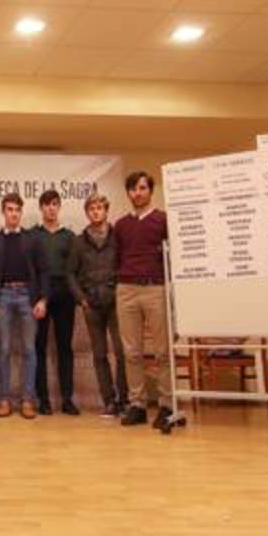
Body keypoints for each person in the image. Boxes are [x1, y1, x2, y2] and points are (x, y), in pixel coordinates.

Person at [113, 171, 172, 429]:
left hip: (155, 289)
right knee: (132, 352)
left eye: (142, 188)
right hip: (126, 290)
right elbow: (117, 257)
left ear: (150, 190)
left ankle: (167, 405)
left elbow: (171, 256)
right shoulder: (121, 225)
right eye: (133, 189)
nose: (137, 193)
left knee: (162, 351)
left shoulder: (163, 220)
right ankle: (137, 404)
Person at [0, 192, 48, 419]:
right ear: (3, 212)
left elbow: (43, 271)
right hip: (2, 296)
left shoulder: (33, 239)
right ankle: (4, 399)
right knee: (3, 349)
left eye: (17, 210)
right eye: (9, 209)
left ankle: (28, 400)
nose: (13, 214)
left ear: (21, 213)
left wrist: (42, 299)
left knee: (29, 349)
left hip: (27, 296)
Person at [69, 194, 128, 417]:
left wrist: (120, 291)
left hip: (115, 302)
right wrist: (81, 299)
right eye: (91, 208)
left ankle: (125, 400)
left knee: (122, 352)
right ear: (87, 213)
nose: (95, 211)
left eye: (99, 208)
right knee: (100, 354)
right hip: (91, 305)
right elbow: (70, 274)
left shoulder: (118, 237)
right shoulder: (79, 241)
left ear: (106, 210)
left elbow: (125, 264)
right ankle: (109, 401)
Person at [29, 190, 81, 416]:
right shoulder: (33, 235)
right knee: (38, 346)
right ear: (41, 208)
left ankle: (67, 399)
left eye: (55, 204)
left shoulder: (69, 236)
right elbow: (31, 268)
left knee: (64, 347)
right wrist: (37, 296)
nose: (51, 208)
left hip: (64, 295)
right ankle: (43, 400)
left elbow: (74, 269)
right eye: (47, 204)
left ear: (59, 207)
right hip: (40, 295)